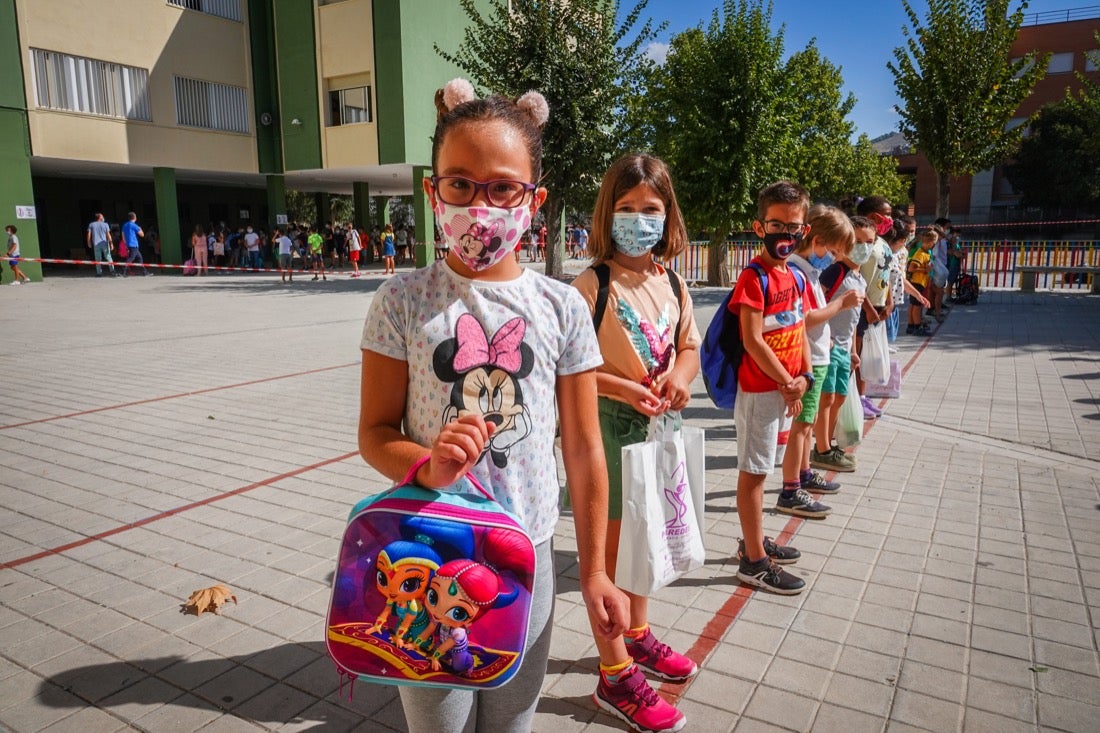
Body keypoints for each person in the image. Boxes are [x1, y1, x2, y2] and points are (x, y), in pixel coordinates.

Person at [358, 78, 628, 733]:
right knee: (439, 723)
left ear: (534, 200)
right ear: (433, 191)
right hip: (428, 549)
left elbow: (586, 448)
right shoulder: (402, 300)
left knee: (511, 719)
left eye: (503, 186)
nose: (482, 205)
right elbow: (374, 431)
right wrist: (425, 464)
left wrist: (593, 570)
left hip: (525, 557)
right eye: (460, 183)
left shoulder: (562, 306)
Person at [571, 153, 699, 733]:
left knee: (647, 549)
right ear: (608, 213)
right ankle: (614, 670)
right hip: (609, 433)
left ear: (668, 214)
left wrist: (680, 377)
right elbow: (568, 370)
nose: (639, 220)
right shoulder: (591, 284)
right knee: (614, 561)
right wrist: (624, 386)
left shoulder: (672, 281)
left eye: (651, 209)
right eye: (627, 209)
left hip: (660, 433)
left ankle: (639, 636)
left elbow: (689, 348)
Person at [729, 181, 815, 595]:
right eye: (776, 224)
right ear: (759, 227)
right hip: (763, 394)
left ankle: (753, 536)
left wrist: (806, 377)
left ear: (804, 230)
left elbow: (798, 330)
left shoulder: (794, 276)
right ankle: (753, 561)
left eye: (793, 227)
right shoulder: (754, 277)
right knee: (755, 474)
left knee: (765, 468)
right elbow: (752, 340)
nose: (786, 234)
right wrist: (786, 381)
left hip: (785, 393)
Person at [784, 206, 864, 505]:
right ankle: (790, 488)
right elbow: (804, 319)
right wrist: (840, 304)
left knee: (809, 420)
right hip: (806, 362)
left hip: (818, 357)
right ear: (816, 239)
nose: (834, 257)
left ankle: (803, 472)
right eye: (833, 250)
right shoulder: (796, 271)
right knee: (802, 425)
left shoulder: (810, 271)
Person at [812, 216, 873, 473]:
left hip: (844, 348)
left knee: (839, 396)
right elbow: (815, 303)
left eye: (869, 242)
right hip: (827, 346)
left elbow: (854, 321)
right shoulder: (835, 271)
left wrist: (854, 352)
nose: (863, 247)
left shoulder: (859, 277)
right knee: (826, 398)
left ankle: (827, 443)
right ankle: (822, 449)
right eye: (857, 241)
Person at [853, 196, 895, 420]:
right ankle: (854, 399)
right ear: (871, 216)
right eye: (886, 214)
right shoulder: (861, 243)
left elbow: (885, 273)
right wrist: (868, 308)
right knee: (857, 355)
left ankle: (862, 396)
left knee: (869, 356)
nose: (890, 219)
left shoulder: (882, 242)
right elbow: (856, 276)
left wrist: (889, 301)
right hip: (861, 306)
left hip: (879, 306)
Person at [906, 229, 937, 335]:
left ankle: (910, 326)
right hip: (917, 282)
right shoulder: (921, 254)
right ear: (930, 242)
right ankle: (917, 326)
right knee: (917, 306)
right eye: (934, 243)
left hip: (918, 282)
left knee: (913, 304)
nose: (934, 245)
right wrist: (925, 270)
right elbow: (911, 268)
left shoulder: (924, 252)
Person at [121, 212, 150, 277]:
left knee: (140, 258)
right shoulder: (134, 225)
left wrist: (125, 243)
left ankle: (144, 272)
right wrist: (140, 228)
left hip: (129, 244)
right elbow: (142, 235)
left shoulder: (125, 225)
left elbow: (123, 235)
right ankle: (123, 271)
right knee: (131, 258)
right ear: (135, 218)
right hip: (134, 244)